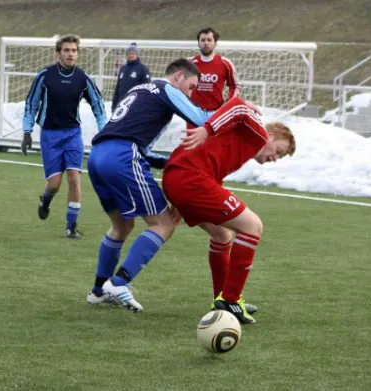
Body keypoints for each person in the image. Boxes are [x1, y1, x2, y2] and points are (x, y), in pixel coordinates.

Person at [86, 58, 222, 312]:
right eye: (191, 87)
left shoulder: (140, 89)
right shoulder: (165, 88)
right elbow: (201, 117)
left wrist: (163, 161)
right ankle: (119, 282)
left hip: (97, 156)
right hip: (122, 156)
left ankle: (98, 290)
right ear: (179, 76)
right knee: (164, 223)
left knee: (121, 225)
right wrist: (236, 109)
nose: (190, 94)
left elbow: (129, 131)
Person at [162, 97, 296, 324]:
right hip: (189, 178)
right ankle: (232, 300)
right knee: (253, 226)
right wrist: (206, 129)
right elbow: (239, 105)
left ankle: (221, 299)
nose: (275, 158)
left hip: (180, 177)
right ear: (271, 135)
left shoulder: (243, 142)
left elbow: (211, 164)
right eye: (278, 151)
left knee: (222, 234)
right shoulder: (258, 133)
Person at [21, 35, 107, 238]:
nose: (70, 54)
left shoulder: (82, 78)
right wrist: (26, 131)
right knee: (54, 184)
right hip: (50, 135)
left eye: (74, 50)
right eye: (66, 50)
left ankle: (71, 226)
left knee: (74, 178)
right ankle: (46, 199)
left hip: (72, 134)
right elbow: (31, 104)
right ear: (58, 53)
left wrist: (104, 132)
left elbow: (98, 105)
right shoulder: (45, 75)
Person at [189, 27, 240, 115]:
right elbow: (180, 86)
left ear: (215, 43)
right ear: (198, 43)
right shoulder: (189, 64)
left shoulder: (225, 63)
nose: (206, 43)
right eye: (203, 40)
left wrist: (228, 104)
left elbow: (235, 86)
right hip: (193, 112)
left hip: (216, 112)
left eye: (209, 40)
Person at [111, 42, 151, 111]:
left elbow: (147, 89)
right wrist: (114, 105)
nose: (131, 55)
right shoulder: (123, 68)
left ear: (137, 54)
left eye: (133, 53)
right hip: (121, 104)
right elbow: (118, 88)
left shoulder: (143, 69)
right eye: (129, 53)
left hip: (135, 104)